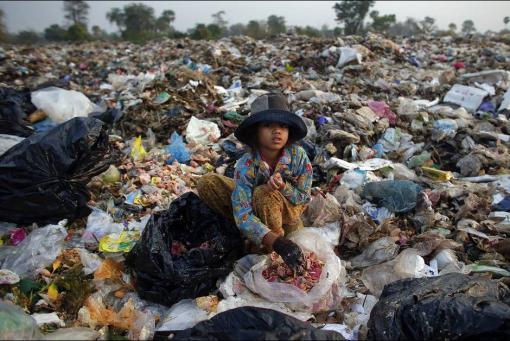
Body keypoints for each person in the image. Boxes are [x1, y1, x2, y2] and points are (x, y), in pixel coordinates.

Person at [197, 93, 313, 271]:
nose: (277, 131)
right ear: (255, 132)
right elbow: (243, 214)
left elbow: (303, 199)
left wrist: (283, 187)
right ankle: (263, 237)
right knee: (207, 182)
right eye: (268, 125)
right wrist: (277, 242)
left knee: (263, 195)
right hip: (260, 217)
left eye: (283, 126)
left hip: (288, 218)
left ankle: (266, 247)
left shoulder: (298, 157)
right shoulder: (246, 164)